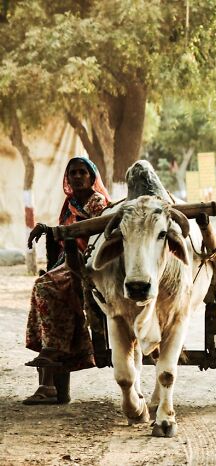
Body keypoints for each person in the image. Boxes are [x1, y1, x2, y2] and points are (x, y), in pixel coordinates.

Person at [22, 156, 111, 405]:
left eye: (83, 172)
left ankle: (51, 359)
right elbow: (65, 234)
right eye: (73, 173)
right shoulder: (70, 203)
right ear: (68, 178)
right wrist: (49, 231)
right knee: (44, 287)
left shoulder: (97, 203)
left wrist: (58, 233)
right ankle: (50, 374)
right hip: (68, 261)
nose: (78, 177)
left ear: (92, 177)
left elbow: (94, 233)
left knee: (46, 287)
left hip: (93, 262)